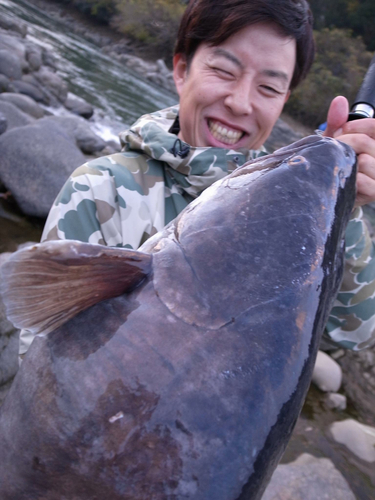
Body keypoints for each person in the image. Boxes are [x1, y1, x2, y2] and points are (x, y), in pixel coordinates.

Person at [19, 0, 375, 357]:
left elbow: (352, 334)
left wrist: (339, 206)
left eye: (268, 88)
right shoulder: (101, 189)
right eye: (224, 70)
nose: (240, 102)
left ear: (284, 100)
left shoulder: (293, 218)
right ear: (181, 69)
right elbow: (40, 352)